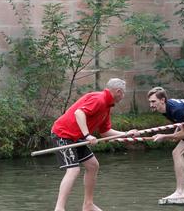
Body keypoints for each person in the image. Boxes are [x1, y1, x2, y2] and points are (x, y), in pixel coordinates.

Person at [50, 78, 138, 211]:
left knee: (93, 165)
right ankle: (59, 208)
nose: (123, 96)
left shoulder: (107, 106)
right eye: (123, 93)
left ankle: (88, 205)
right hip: (63, 134)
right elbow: (79, 113)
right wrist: (87, 135)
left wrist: (126, 134)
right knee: (74, 169)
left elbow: (105, 132)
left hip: (76, 137)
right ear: (118, 91)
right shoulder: (99, 99)